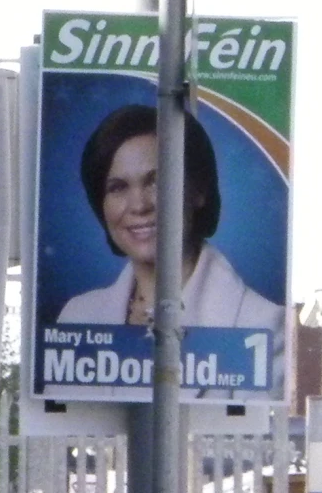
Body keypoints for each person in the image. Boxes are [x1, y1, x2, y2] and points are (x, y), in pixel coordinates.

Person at [57, 104, 286, 338]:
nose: (139, 205)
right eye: (118, 187)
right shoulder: (78, 317)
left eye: (156, 181)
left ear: (199, 190)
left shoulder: (265, 325)